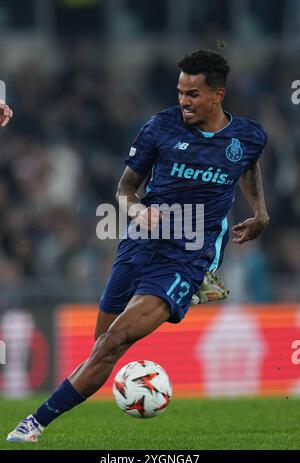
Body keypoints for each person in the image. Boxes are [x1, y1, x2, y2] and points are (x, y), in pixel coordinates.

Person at [7, 49, 269, 442]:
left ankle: (35, 423)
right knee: (101, 346)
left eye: (193, 94)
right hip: (139, 243)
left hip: (187, 256)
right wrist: (137, 212)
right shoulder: (159, 128)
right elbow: (125, 189)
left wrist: (260, 211)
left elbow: (248, 164)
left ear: (218, 95)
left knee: (113, 342)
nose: (183, 101)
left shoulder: (248, 136)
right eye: (180, 91)